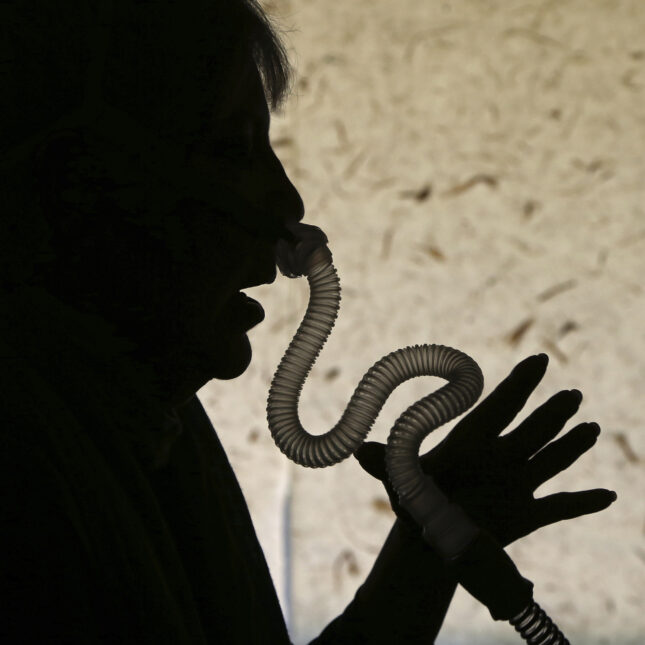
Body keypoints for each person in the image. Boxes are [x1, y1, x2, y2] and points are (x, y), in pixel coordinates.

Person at [0, 1, 616, 643]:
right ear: (76, 184)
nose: (285, 202)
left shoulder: (147, 427)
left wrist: (432, 545)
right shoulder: (24, 479)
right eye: (232, 149)